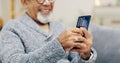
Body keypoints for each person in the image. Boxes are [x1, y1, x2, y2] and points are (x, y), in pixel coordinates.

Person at [0, 0, 97, 63]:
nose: (47, 3)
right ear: (25, 2)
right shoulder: (12, 28)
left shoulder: (61, 27)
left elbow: (75, 60)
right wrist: (59, 45)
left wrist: (85, 55)